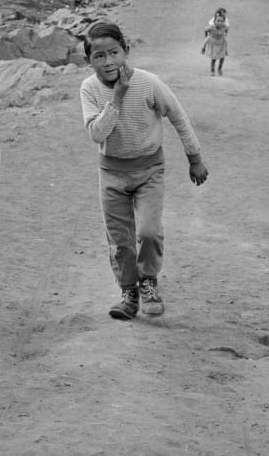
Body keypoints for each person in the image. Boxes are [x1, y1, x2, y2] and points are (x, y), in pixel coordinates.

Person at [80, 21, 209, 321]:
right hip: (111, 173)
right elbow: (97, 134)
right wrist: (117, 97)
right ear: (89, 61)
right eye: (99, 56)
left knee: (149, 232)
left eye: (114, 53)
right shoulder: (89, 89)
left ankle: (148, 281)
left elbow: (178, 117)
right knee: (120, 240)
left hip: (150, 169)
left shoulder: (149, 83)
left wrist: (195, 157)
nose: (108, 62)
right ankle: (129, 292)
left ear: (126, 51)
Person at [202, 10, 228, 76]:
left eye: (221, 21)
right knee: (214, 58)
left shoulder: (224, 27)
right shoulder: (212, 27)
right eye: (218, 21)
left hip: (221, 43)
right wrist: (206, 36)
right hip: (213, 44)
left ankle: (219, 68)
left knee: (222, 57)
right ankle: (212, 70)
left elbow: (226, 30)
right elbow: (205, 30)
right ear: (214, 21)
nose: (220, 23)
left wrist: (225, 34)